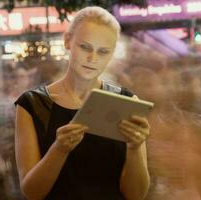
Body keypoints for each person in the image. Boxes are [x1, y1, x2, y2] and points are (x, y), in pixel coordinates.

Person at [14, 6, 150, 200]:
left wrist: (135, 147)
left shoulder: (126, 103)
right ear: (68, 41)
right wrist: (59, 150)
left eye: (103, 52)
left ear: (111, 54)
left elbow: (136, 195)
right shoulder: (33, 105)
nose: (92, 58)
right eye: (85, 47)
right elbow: (32, 192)